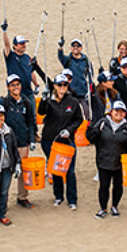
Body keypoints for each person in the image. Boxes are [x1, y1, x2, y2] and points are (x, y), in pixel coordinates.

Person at [37, 74, 84, 210]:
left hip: (67, 140)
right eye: (59, 85)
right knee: (55, 169)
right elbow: (41, 112)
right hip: (50, 140)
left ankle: (72, 199)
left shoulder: (73, 102)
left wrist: (69, 130)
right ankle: (58, 196)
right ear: (55, 86)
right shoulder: (50, 101)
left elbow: (78, 119)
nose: (62, 87)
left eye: (65, 85)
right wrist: (44, 99)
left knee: (69, 171)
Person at [86, 100, 127, 219]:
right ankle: (103, 208)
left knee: (118, 186)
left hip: (120, 162)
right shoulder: (103, 123)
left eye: (122, 111)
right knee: (104, 186)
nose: (119, 113)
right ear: (111, 112)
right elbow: (91, 139)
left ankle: (115, 206)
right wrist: (90, 129)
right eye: (116, 111)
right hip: (104, 160)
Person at [0, 74, 37, 209]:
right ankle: (2, 200)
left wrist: (32, 139)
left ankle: (22, 197)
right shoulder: (4, 103)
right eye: (12, 85)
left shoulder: (26, 102)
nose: (16, 87)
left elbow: (31, 122)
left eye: (17, 84)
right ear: (8, 87)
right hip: (7, 143)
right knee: (5, 170)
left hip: (23, 141)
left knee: (23, 170)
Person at [2, 23, 41, 110]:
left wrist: (36, 84)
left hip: (28, 92)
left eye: (24, 43)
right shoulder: (10, 56)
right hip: (16, 93)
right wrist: (5, 32)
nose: (24, 45)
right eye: (21, 43)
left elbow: (31, 72)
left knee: (32, 116)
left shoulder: (27, 57)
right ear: (15, 46)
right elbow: (7, 45)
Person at [58, 37, 92, 118]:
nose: (75, 48)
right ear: (70, 48)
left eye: (78, 46)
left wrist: (89, 90)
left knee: (87, 114)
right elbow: (60, 57)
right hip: (71, 93)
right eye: (73, 46)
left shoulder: (86, 61)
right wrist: (60, 47)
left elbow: (90, 76)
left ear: (81, 48)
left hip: (83, 93)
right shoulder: (68, 60)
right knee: (70, 114)